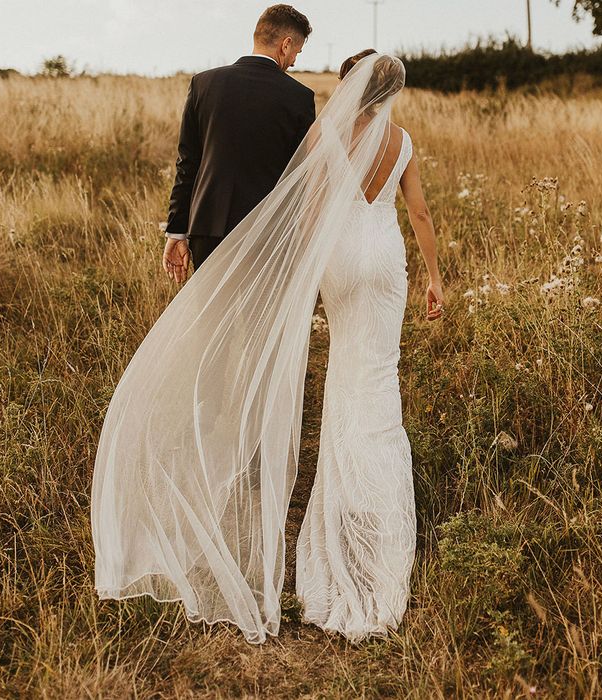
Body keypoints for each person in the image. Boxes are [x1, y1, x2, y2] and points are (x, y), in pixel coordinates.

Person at [91, 49, 444, 645]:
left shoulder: (324, 134)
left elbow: (306, 211)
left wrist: (298, 281)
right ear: (393, 92)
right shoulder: (404, 142)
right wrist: (435, 278)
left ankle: (340, 509)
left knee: (342, 375)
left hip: (339, 262)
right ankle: (377, 509)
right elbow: (420, 212)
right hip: (387, 262)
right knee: (379, 372)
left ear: (350, 84)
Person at [161, 4, 316, 277]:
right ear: (286, 44)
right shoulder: (299, 97)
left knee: (214, 319)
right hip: (268, 234)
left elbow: (188, 163)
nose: (293, 61)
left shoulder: (204, 84)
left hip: (208, 230)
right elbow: (299, 177)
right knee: (260, 320)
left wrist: (177, 230)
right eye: (296, 52)